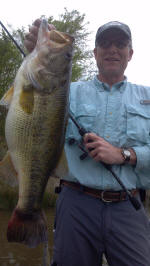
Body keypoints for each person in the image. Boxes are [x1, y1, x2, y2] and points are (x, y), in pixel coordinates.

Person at [25, 20, 150, 266]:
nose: (112, 49)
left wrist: (124, 154)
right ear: (95, 53)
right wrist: (35, 58)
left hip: (129, 207)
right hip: (75, 204)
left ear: (130, 53)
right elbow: (32, 111)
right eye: (104, 43)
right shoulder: (65, 90)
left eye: (120, 44)